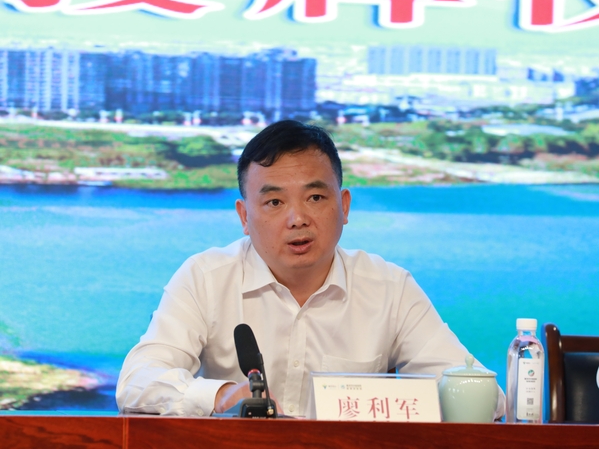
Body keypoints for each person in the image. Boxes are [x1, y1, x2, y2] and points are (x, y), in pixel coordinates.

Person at [116, 120, 505, 418]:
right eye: (274, 203)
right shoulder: (205, 278)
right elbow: (137, 380)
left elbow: (487, 400)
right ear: (244, 217)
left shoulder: (390, 288)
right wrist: (222, 396)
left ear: (344, 206)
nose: (297, 218)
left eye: (316, 197)